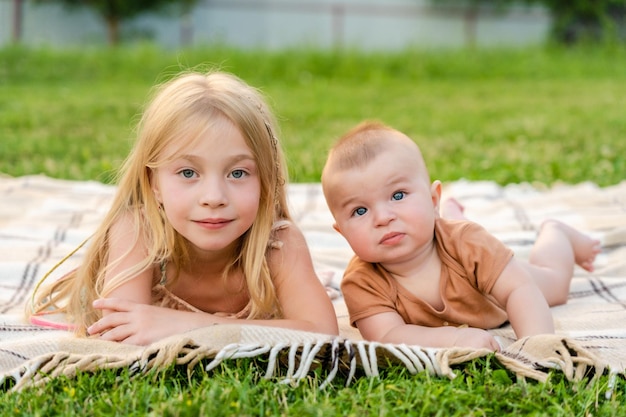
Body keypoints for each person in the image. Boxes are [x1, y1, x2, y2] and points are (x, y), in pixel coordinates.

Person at [28, 70, 339, 345]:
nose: (214, 197)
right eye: (188, 173)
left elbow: (322, 333)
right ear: (154, 183)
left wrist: (188, 325)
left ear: (266, 181)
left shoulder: (278, 244)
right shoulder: (139, 230)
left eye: (238, 173)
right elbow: (119, 330)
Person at [321, 120, 601, 351]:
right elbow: (386, 335)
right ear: (341, 232)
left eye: (397, 195)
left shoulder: (466, 242)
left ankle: (556, 232)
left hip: (498, 283)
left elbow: (520, 289)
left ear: (433, 200)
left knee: (555, 283)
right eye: (360, 211)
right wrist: (455, 339)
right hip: (454, 242)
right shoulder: (361, 282)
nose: (383, 218)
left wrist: (535, 346)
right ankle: (453, 213)